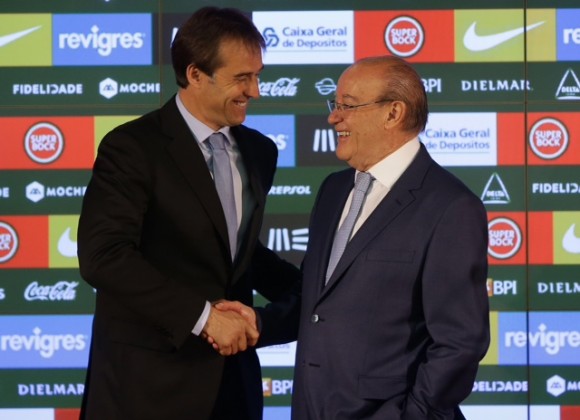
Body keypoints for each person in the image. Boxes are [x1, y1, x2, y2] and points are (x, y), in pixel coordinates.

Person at [77, 6, 300, 420]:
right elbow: (103, 256)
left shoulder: (260, 151)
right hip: (147, 389)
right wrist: (204, 318)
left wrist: (317, 292)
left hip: (233, 386)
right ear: (195, 74)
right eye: (242, 77)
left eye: (257, 75)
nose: (255, 91)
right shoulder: (132, 147)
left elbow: (235, 253)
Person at [291, 56, 490, 420]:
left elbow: (460, 343)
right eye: (335, 105)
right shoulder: (333, 190)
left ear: (393, 113)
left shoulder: (451, 207)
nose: (334, 118)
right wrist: (255, 323)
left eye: (348, 106)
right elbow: (317, 304)